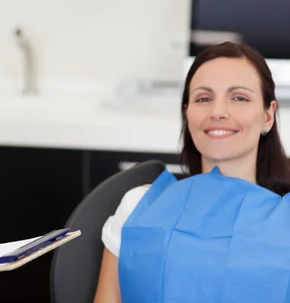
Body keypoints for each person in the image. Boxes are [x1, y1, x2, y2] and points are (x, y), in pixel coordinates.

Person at [93, 41, 290, 303]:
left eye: (239, 98)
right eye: (203, 98)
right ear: (188, 113)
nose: (218, 112)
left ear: (268, 115)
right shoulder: (138, 207)